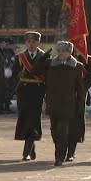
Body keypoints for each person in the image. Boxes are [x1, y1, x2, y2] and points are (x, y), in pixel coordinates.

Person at [33, 41, 85, 166]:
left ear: (70, 52)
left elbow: (80, 87)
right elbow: (34, 71)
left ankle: (59, 157)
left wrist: (81, 102)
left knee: (62, 130)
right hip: (53, 102)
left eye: (63, 51)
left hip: (68, 103)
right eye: (59, 51)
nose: (60, 53)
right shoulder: (50, 64)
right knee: (54, 131)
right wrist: (43, 58)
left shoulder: (76, 66)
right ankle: (61, 149)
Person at [12, 31, 48, 161]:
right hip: (24, 91)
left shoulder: (44, 57)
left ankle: (26, 151)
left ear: (38, 42)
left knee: (34, 120)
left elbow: (47, 76)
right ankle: (30, 149)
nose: (31, 44)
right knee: (24, 118)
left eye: (34, 41)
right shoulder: (20, 57)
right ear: (25, 43)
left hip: (37, 91)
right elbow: (14, 75)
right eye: (29, 41)